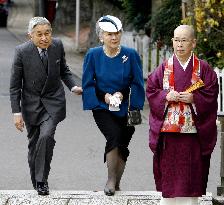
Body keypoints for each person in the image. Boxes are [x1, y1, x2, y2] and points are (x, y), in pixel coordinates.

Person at [146, 25, 218, 205]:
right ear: (172, 41)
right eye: (176, 40)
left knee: (192, 172)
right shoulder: (164, 68)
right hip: (169, 132)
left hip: (193, 132)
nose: (179, 44)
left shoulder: (204, 69)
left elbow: (211, 93)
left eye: (184, 40)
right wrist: (165, 96)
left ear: (193, 43)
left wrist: (194, 98)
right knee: (170, 171)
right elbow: (152, 90)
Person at [10, 17, 82, 195]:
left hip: (53, 102)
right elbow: (14, 86)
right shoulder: (21, 52)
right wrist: (16, 113)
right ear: (30, 36)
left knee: (46, 136)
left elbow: (64, 70)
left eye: (47, 33)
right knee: (34, 144)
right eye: (39, 34)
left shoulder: (57, 46)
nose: (44, 38)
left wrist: (73, 86)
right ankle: (36, 179)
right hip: (31, 105)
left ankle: (42, 180)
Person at [82, 15, 145, 196]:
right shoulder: (93, 55)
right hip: (102, 106)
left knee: (123, 143)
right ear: (101, 36)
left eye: (117, 33)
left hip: (126, 106)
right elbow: (88, 83)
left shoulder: (130, 55)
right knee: (114, 136)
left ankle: (117, 183)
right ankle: (110, 180)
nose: (114, 37)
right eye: (109, 34)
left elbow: (137, 83)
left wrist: (128, 100)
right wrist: (105, 97)